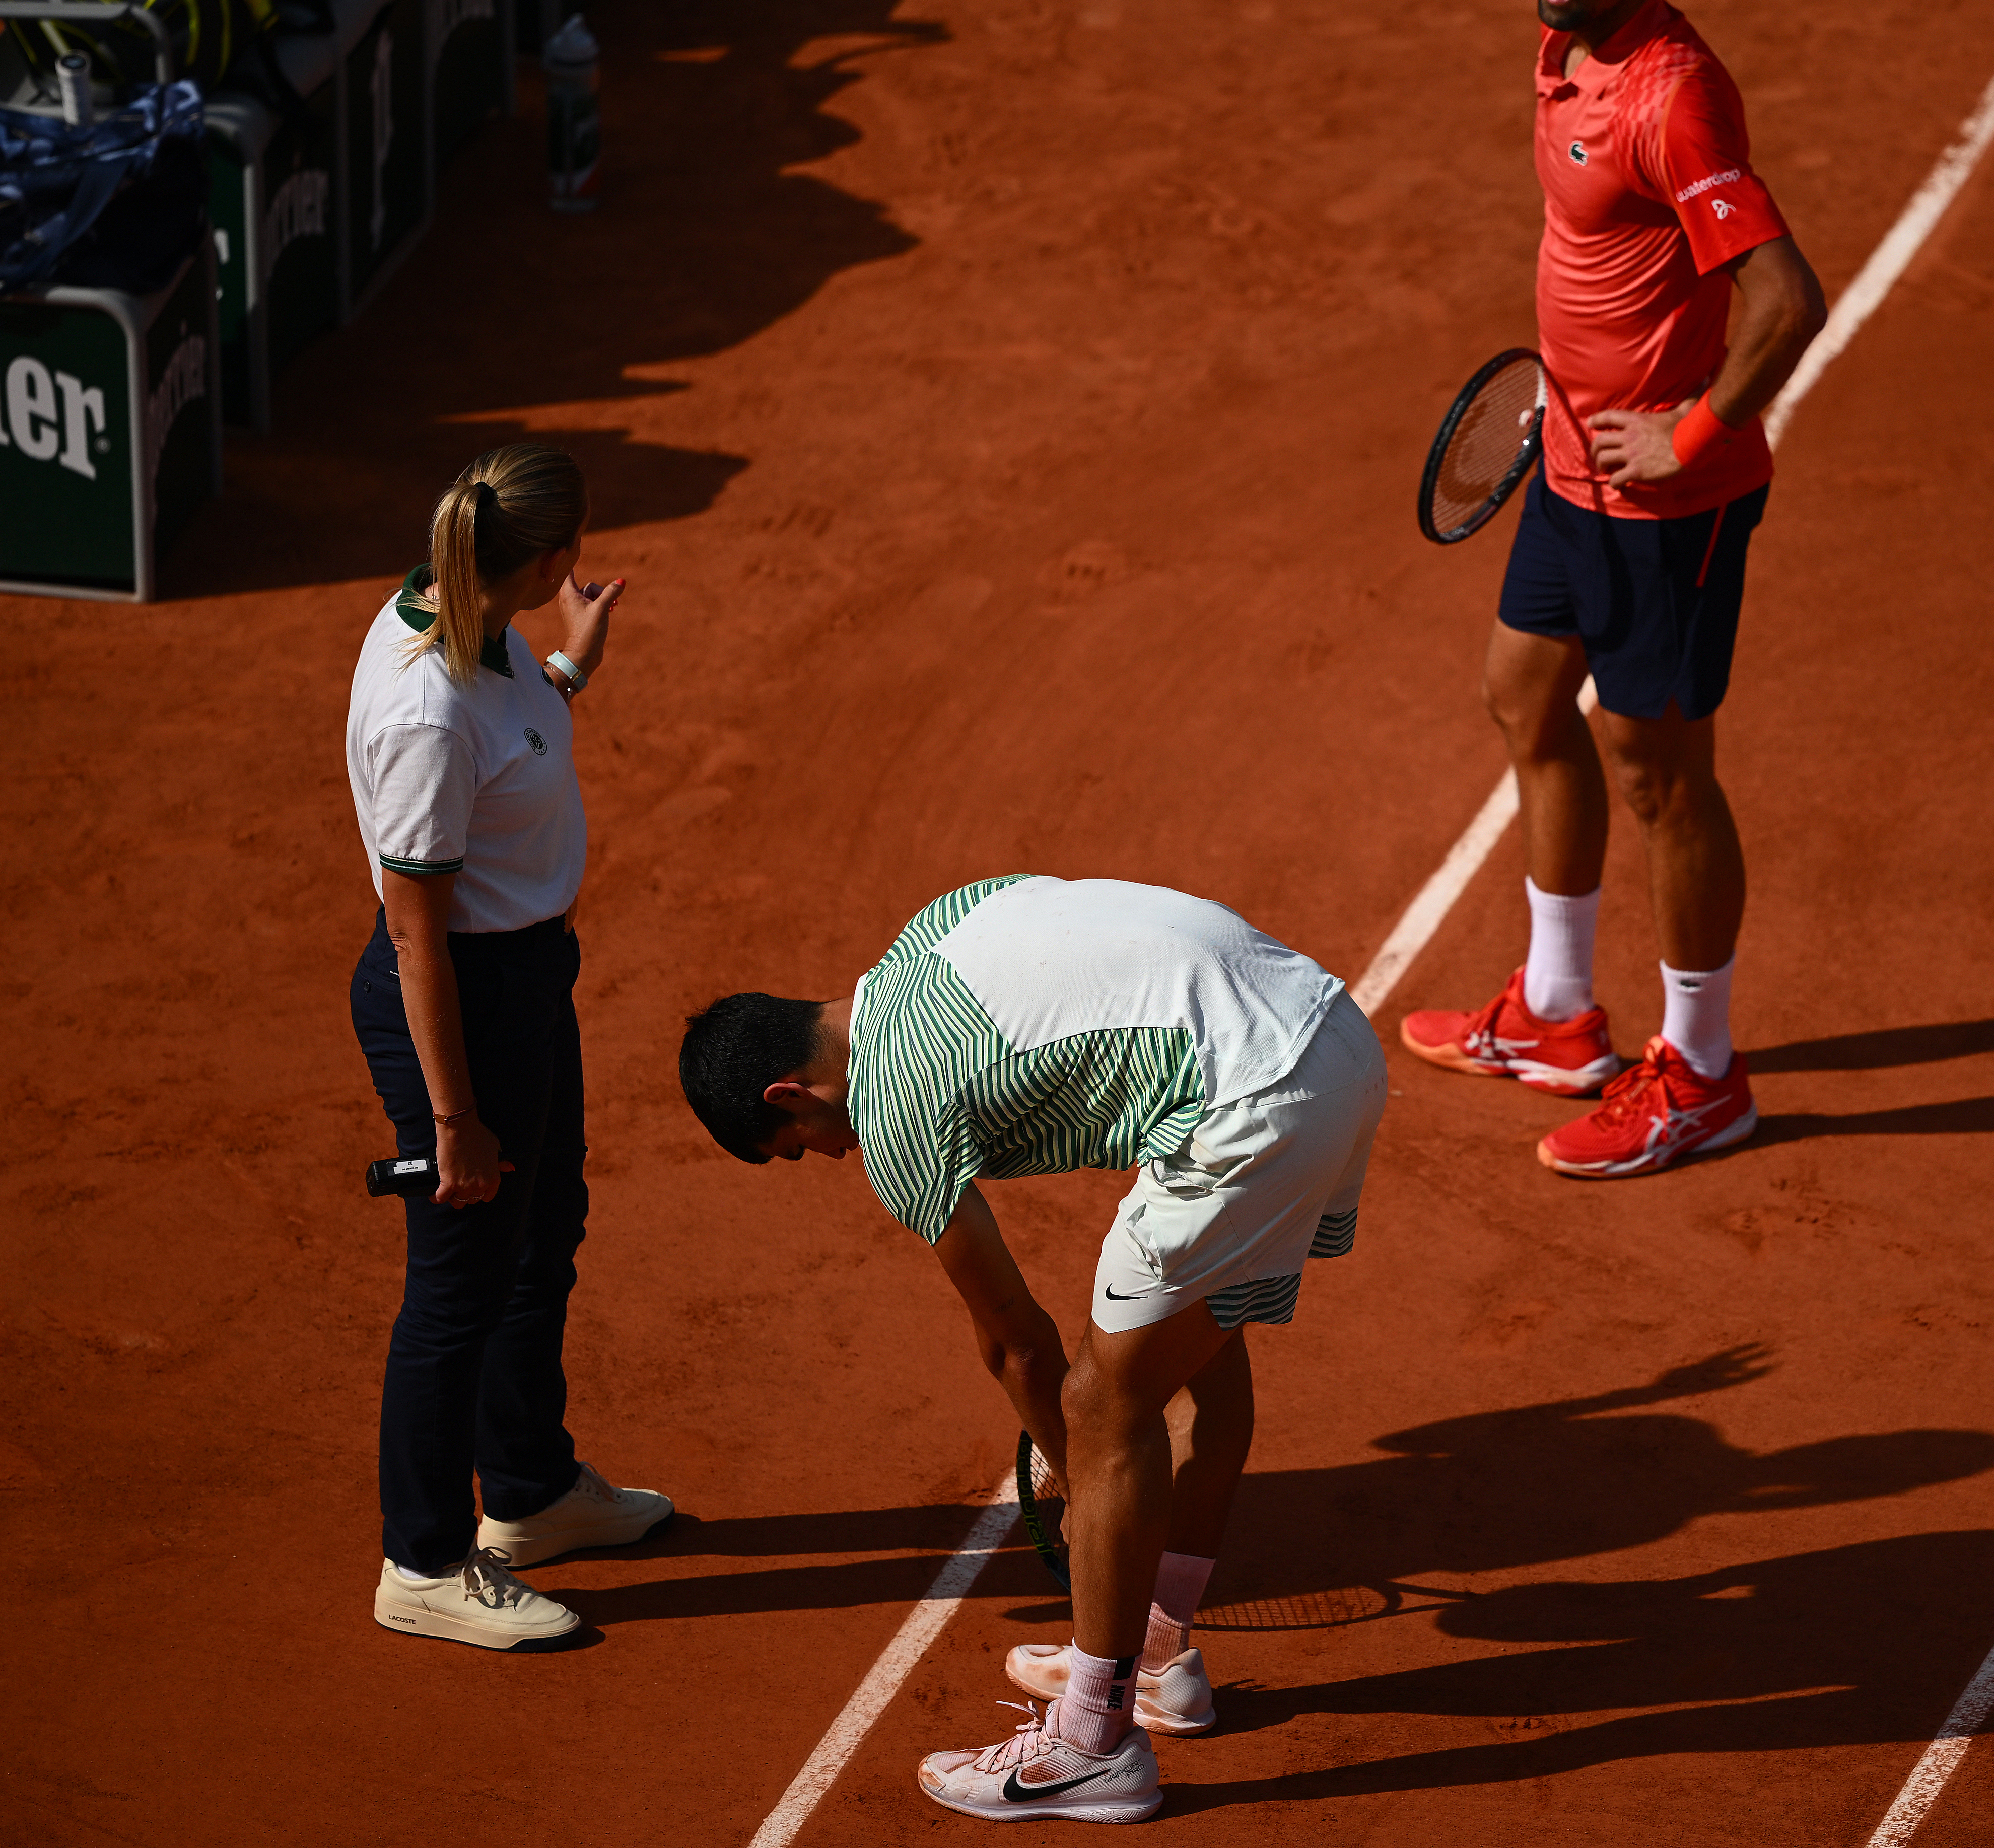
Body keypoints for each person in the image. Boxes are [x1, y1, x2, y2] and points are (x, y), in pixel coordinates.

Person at [678, 875, 1386, 1823]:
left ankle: (1091, 1745)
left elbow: (1017, 1346)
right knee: (1201, 1363)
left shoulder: (890, 1111)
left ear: (791, 1092)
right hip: (1334, 1033)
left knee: (1105, 1404)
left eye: (800, 1142)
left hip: (1254, 1103)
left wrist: (1077, 1471)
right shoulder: (932, 928)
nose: (831, 1155)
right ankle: (1161, 1656)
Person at [1402, 0, 1827, 1179]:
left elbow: (1784, 298)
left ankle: (1701, 1074)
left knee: (1660, 777)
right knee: (1523, 695)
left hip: (1663, 507)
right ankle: (1553, 1014)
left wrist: (1693, 428)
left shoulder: (1673, 93)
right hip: (1567, 464)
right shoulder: (1566, 46)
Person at [346, 443, 673, 1648]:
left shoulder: (470, 624)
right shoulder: (424, 711)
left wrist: (571, 672)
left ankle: (528, 1495)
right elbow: (416, 938)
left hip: (525, 980)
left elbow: (511, 739)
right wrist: (453, 1120)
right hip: (463, 1003)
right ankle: (423, 1561)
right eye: (571, 553)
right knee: (458, 1287)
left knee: (543, 1235)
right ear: (546, 559)